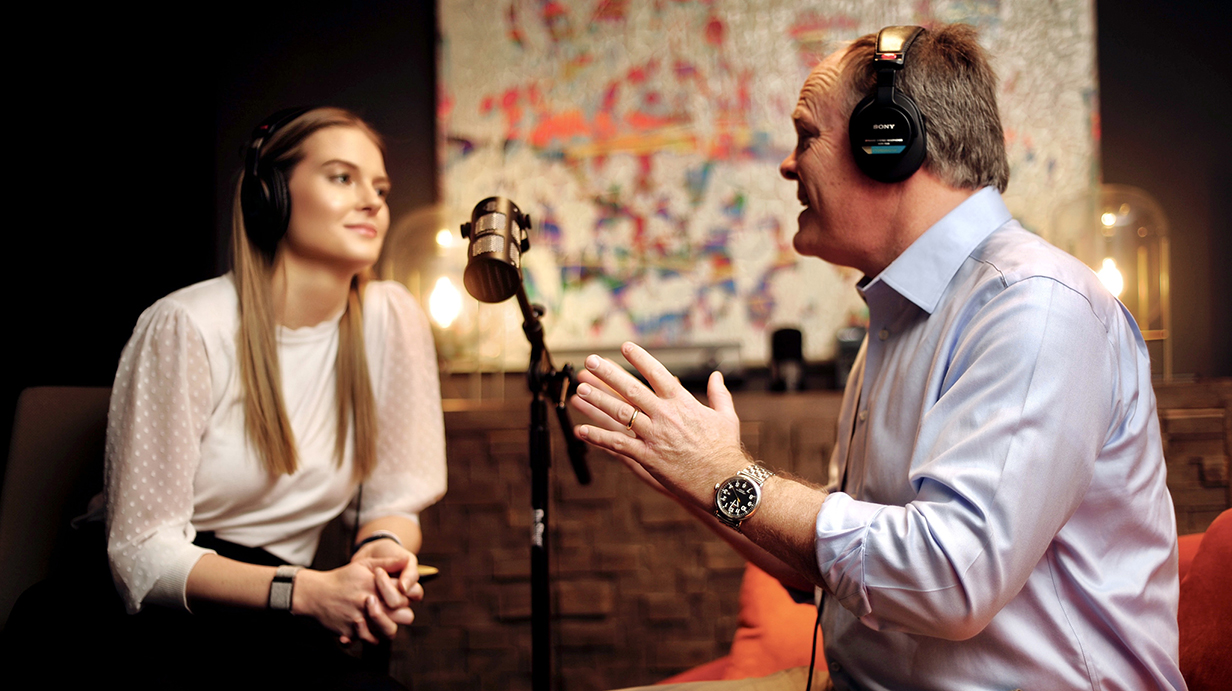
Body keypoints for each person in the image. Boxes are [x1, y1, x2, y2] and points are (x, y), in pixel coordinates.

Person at [571, 25, 1185, 690]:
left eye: (806, 134)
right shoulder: (895, 322)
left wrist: (727, 474)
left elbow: (949, 577)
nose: (787, 164)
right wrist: (691, 474)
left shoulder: (1036, 307)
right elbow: (840, 562)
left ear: (888, 141)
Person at [62, 107, 444, 688]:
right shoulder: (186, 325)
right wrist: (305, 590)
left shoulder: (392, 321)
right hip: (147, 622)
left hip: (276, 610)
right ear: (272, 195)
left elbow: (394, 494)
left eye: (381, 187)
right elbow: (140, 555)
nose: (373, 201)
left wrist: (381, 553)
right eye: (343, 177)